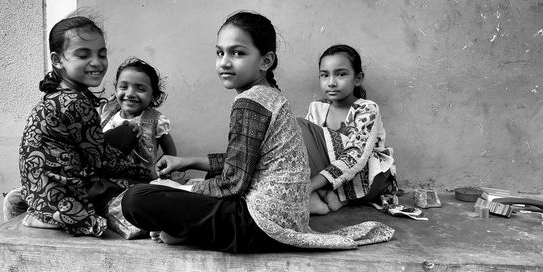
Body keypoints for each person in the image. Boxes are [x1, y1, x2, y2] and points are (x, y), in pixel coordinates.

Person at [120, 11, 394, 253]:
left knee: (136, 199)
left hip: (259, 225)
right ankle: (186, 230)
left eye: (237, 53)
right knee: (197, 182)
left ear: (265, 61)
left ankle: (189, 230)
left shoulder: (250, 101)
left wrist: (183, 187)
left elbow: (233, 183)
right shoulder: (268, 95)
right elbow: (243, 161)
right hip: (281, 219)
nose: (225, 62)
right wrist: (187, 163)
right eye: (220, 52)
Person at [18, 15, 152, 236]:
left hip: (39, 191)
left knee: (125, 132)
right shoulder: (76, 102)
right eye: (83, 55)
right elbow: (102, 161)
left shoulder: (58, 94)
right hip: (61, 196)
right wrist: (146, 172)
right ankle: (56, 216)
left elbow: (92, 147)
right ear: (57, 59)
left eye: (101, 54)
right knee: (141, 191)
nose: (97, 62)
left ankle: (42, 210)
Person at [298, 44, 397, 215]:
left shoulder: (367, 109)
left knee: (300, 125)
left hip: (368, 177)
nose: (331, 82)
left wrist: (308, 187)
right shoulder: (317, 108)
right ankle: (328, 197)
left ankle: (323, 195)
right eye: (324, 75)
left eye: (341, 74)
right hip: (332, 178)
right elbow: (306, 152)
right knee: (296, 134)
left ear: (357, 79)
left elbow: (356, 158)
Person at [100, 57, 177, 179]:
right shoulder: (106, 113)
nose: (130, 94)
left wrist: (160, 173)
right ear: (115, 89)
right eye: (123, 87)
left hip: (141, 180)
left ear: (154, 96)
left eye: (140, 89)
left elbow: (171, 153)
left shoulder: (156, 120)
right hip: (109, 178)